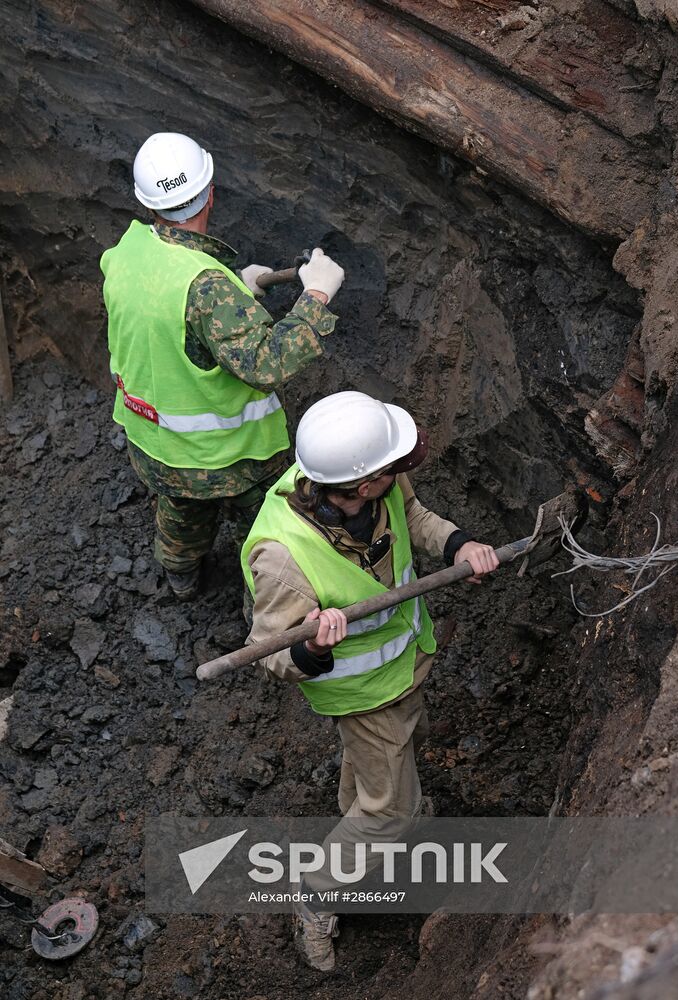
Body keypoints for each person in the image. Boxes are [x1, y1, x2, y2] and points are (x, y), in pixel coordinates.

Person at [241, 391, 499, 970]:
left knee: (385, 771)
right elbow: (269, 655)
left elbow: (415, 517)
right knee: (388, 814)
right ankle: (316, 894)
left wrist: (461, 546)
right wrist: (308, 644)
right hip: (367, 697)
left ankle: (371, 804)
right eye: (394, 467)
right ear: (362, 484)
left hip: (407, 665)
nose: (403, 470)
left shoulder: (366, 482)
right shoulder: (284, 559)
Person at [100, 131, 344, 599]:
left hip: (155, 447)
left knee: (181, 518)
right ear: (209, 192)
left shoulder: (124, 254)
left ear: (147, 204)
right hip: (230, 460)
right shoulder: (207, 288)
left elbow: (165, 314)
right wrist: (316, 296)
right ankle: (267, 605)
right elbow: (266, 364)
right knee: (269, 534)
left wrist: (235, 287)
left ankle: (180, 577)